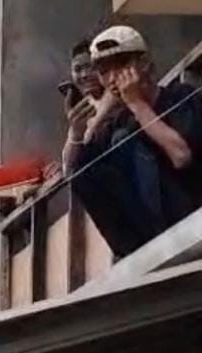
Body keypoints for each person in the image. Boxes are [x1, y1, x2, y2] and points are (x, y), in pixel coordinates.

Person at [70, 25, 202, 258]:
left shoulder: (181, 97)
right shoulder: (120, 124)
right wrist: (82, 130)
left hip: (192, 213)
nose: (113, 79)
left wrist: (137, 104)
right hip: (152, 238)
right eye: (104, 71)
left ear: (144, 64)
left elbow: (182, 156)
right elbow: (79, 173)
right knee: (90, 163)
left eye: (121, 66)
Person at [61, 39, 106, 174]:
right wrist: (76, 133)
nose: (84, 75)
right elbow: (67, 168)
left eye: (90, 67)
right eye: (78, 69)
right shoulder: (83, 107)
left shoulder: (116, 96)